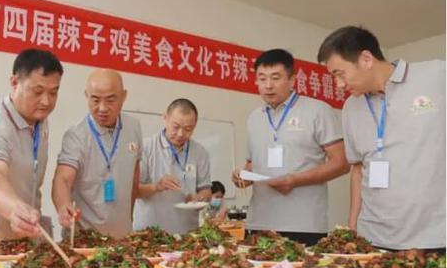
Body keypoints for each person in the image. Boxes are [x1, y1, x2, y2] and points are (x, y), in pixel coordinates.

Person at [319, 26, 445, 251]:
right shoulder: (351, 107)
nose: (338, 84)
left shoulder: (436, 76)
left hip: (434, 238)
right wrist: (353, 228)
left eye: (340, 73)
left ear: (366, 59)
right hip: (374, 240)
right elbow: (358, 168)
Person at [232, 49, 350, 246]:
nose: (268, 85)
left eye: (275, 78)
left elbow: (342, 163)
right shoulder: (254, 118)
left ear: (292, 79)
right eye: (262, 78)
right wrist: (242, 177)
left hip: (303, 224)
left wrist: (294, 180)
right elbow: (253, 165)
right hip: (260, 223)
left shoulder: (317, 110)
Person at [0, 49, 63, 250]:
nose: (46, 101)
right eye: (37, 91)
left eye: (53, 92)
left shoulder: (40, 122)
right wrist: (15, 209)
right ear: (15, 83)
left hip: (25, 245)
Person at [52, 69, 142, 239]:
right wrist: (63, 205)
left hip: (122, 238)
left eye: (110, 100)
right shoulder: (76, 135)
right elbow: (63, 178)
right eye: (95, 99)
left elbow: (134, 174)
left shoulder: (133, 127)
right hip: (84, 239)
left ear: (123, 96)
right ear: (86, 95)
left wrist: (129, 217)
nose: (102, 108)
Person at [134, 99, 212, 234]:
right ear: (165, 118)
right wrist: (156, 186)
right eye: (176, 127)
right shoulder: (145, 148)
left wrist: (199, 198)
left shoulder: (200, 152)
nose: (181, 134)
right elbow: (134, 191)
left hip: (187, 233)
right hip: (150, 233)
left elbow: (205, 189)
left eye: (188, 129)